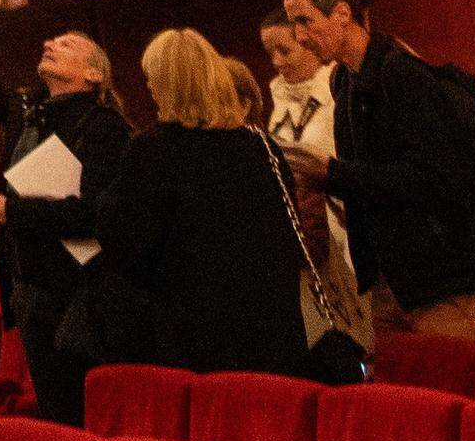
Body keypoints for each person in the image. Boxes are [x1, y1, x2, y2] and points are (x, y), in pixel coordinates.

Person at [279, 0, 475, 339]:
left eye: (304, 21)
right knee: (405, 397)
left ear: (342, 14)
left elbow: (438, 179)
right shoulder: (346, 83)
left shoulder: (401, 75)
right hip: (393, 280)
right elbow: (375, 183)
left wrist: (333, 172)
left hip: (448, 278)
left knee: (460, 392)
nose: (300, 37)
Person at [87, 32, 318, 377]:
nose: (147, 85)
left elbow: (126, 245)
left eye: (151, 76)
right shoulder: (261, 147)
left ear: (168, 83)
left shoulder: (153, 151)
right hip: (270, 331)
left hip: (193, 336)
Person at [0, 0, 132, 421]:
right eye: (52, 40)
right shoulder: (27, 114)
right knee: (54, 413)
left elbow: (95, 215)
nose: (50, 43)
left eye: (67, 44)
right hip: (32, 293)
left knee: (82, 417)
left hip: (79, 296)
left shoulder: (105, 127)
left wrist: (10, 211)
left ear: (94, 75)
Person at [257, 14, 369, 353]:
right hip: (307, 234)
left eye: (284, 51)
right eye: (270, 54)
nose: (277, 63)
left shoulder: (337, 89)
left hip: (345, 228)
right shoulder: (279, 104)